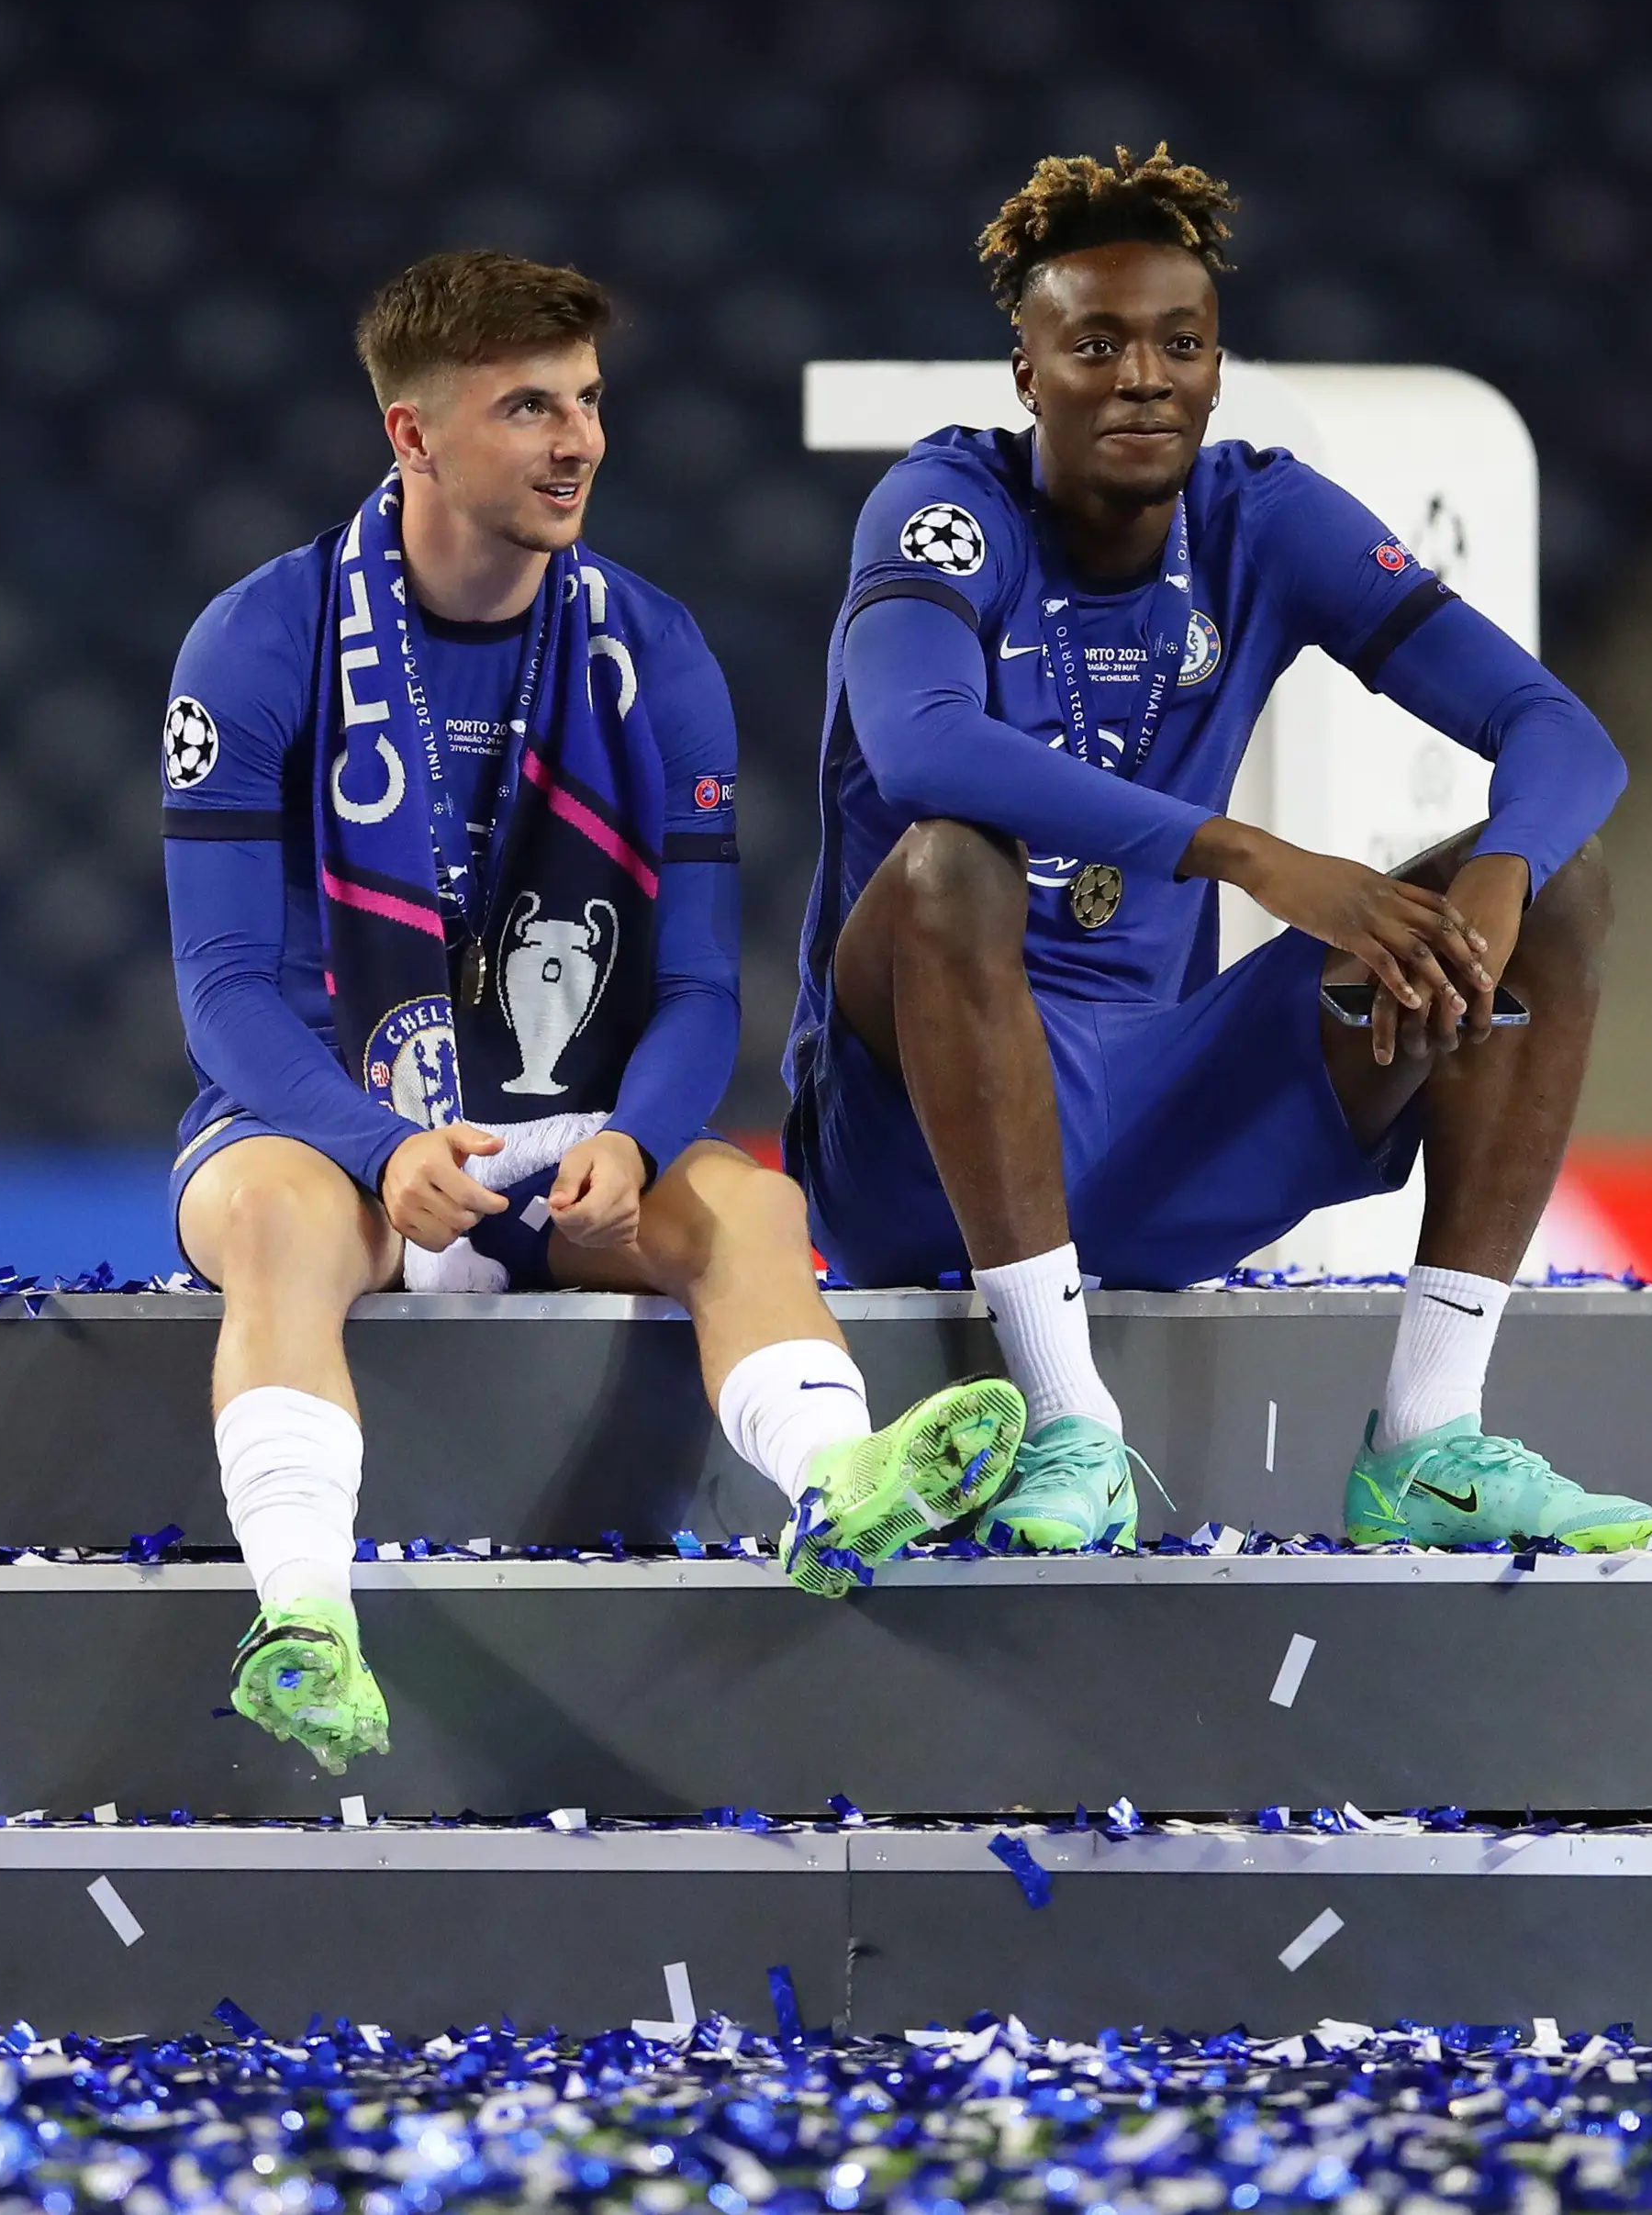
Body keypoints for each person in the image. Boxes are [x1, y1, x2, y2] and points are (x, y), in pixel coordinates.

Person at [162, 252, 1020, 1773]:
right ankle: (303, 1619)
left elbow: (695, 985)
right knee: (286, 1221)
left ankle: (839, 1481)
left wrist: (638, 1136)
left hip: (564, 1133)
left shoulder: (657, 651)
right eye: (529, 407)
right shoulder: (258, 641)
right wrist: (374, 1145)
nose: (579, 442)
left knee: (745, 1206)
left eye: (591, 402)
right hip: (317, 1127)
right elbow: (225, 991)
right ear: (412, 439)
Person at [785, 149, 1652, 1557]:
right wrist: (1249, 856)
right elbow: (922, 745)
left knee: (1569, 878)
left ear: (1216, 366)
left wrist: (1497, 881)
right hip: (915, 1145)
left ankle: (1429, 1440)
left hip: (1157, 1109)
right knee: (955, 863)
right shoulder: (946, 506)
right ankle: (1070, 1422)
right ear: (1026, 371)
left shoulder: (1261, 514)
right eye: (1098, 343)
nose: (1144, 376)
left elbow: (1561, 733)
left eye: (1180, 344)